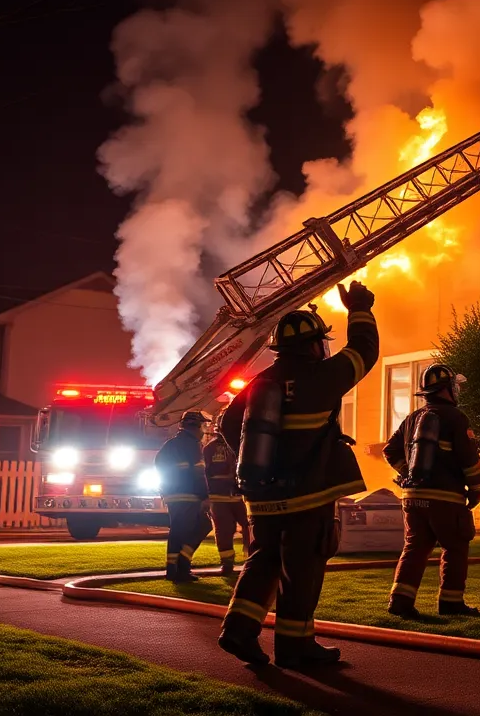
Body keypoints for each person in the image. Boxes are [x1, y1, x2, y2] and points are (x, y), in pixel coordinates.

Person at [217, 282, 380, 670]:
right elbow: (364, 350)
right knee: (303, 568)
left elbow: (227, 425)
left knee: (264, 560)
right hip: (309, 495)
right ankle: (296, 647)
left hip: (263, 496)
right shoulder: (323, 376)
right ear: (314, 346)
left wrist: (263, 464)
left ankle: (239, 630)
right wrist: (359, 307)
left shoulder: (260, 382)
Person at [383, 364, 480, 618]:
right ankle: (451, 602)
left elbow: (389, 450)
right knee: (455, 546)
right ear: (447, 389)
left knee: (414, 548)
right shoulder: (456, 418)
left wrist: (407, 471)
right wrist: (475, 489)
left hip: (412, 498)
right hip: (445, 498)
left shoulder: (411, 418)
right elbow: (469, 459)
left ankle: (400, 601)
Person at [155, 409, 213, 583]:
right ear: (196, 426)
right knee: (203, 525)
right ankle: (183, 566)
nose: (204, 431)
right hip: (189, 494)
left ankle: (172, 570)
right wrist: (205, 496)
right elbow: (198, 472)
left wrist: (166, 489)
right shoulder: (193, 444)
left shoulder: (170, 444)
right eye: (203, 426)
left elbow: (159, 465)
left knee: (178, 531)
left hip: (172, 495)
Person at [203, 413, 251, 575]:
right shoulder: (210, 448)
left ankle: (251, 559)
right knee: (224, 530)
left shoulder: (241, 443)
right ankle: (227, 564)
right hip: (219, 497)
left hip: (240, 496)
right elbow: (204, 473)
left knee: (250, 527)